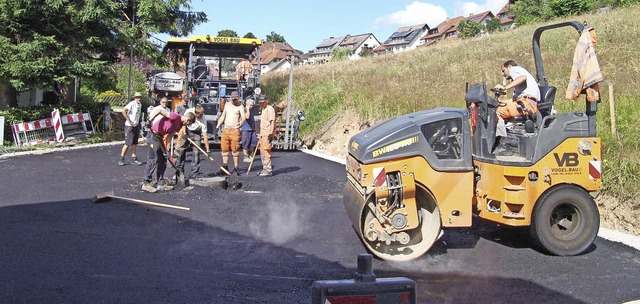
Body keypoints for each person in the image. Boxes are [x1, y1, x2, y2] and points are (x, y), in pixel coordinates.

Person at [142, 107, 196, 192]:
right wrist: (150, 120)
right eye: (189, 123)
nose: (187, 125)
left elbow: (170, 136)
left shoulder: (179, 125)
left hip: (160, 138)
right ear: (188, 119)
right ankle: (146, 182)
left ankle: (161, 183)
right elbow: (159, 110)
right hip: (153, 135)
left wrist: (166, 149)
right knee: (154, 159)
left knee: (163, 159)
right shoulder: (175, 116)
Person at [493, 60, 540, 143]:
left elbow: (523, 77)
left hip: (526, 104)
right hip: (524, 103)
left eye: (504, 70)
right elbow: (513, 100)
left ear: (509, 67)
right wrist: (500, 101)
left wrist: (505, 87)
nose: (503, 74)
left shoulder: (514, 69)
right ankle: (503, 138)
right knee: (496, 108)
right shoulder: (521, 87)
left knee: (494, 112)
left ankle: (502, 141)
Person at [215, 91, 246, 175]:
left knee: (235, 149)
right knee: (224, 149)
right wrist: (218, 125)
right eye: (233, 99)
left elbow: (243, 117)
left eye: (236, 99)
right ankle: (225, 166)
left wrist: (241, 122)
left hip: (234, 130)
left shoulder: (240, 106)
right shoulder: (227, 105)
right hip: (226, 129)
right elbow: (223, 116)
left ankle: (236, 167)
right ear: (231, 98)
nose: (234, 101)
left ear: (238, 98)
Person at [176, 105, 210, 178]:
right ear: (195, 113)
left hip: (196, 133)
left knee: (196, 152)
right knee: (181, 150)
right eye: (199, 115)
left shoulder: (203, 120)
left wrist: (208, 150)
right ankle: (179, 170)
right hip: (187, 130)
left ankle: (195, 171)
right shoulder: (189, 111)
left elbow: (205, 135)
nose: (201, 116)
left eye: (202, 115)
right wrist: (184, 133)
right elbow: (184, 123)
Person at [119, 92, 144, 166]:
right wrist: (129, 120)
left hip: (136, 126)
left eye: (139, 97)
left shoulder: (139, 105)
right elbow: (123, 111)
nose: (138, 99)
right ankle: (121, 158)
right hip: (129, 126)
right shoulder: (132, 104)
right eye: (137, 97)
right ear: (134, 98)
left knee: (134, 143)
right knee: (127, 143)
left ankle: (134, 158)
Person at [258, 95, 276, 177]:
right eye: (260, 103)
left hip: (267, 134)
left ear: (267, 101)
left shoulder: (270, 109)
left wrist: (270, 134)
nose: (262, 104)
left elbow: (272, 122)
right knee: (262, 152)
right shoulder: (263, 109)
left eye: (263, 102)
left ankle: (268, 170)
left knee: (266, 151)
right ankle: (264, 168)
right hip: (263, 134)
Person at [240, 98, 258, 163]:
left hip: (252, 129)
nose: (251, 106)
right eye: (250, 105)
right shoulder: (245, 110)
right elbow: (247, 117)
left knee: (254, 142)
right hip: (246, 129)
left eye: (252, 105)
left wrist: (254, 128)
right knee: (246, 143)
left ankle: (250, 154)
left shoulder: (251, 110)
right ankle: (245, 156)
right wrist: (247, 108)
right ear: (247, 105)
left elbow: (252, 120)